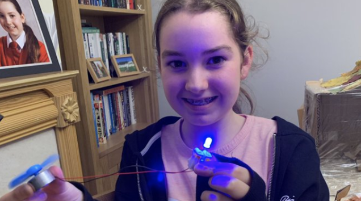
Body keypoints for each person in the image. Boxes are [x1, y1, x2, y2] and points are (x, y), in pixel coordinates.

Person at [0, 0, 330, 200]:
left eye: (215, 60)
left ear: (245, 61)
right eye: (176, 63)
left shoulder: (292, 150)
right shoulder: (141, 148)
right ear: (159, 66)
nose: (196, 84)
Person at [0, 0, 49, 67]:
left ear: (22, 17)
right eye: (2, 16)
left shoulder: (40, 48)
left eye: (12, 15)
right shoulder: (1, 45)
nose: (8, 22)